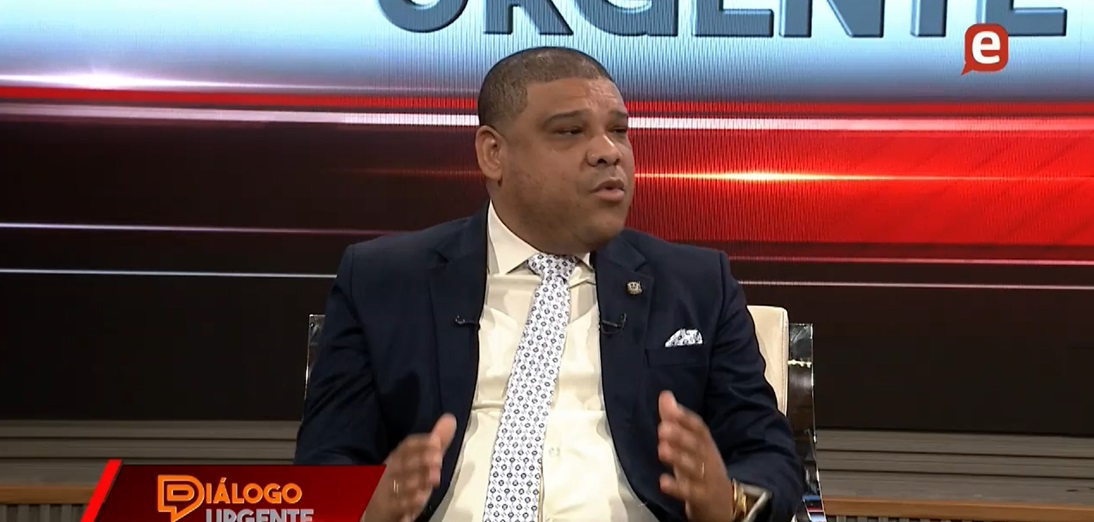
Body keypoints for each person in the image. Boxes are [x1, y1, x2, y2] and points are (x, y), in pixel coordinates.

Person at [294, 46, 804, 522]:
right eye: (569, 132)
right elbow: (325, 465)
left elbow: (770, 459)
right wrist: (363, 505)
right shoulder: (383, 279)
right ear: (493, 154)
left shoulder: (696, 285)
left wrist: (730, 502)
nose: (608, 152)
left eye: (619, 130)